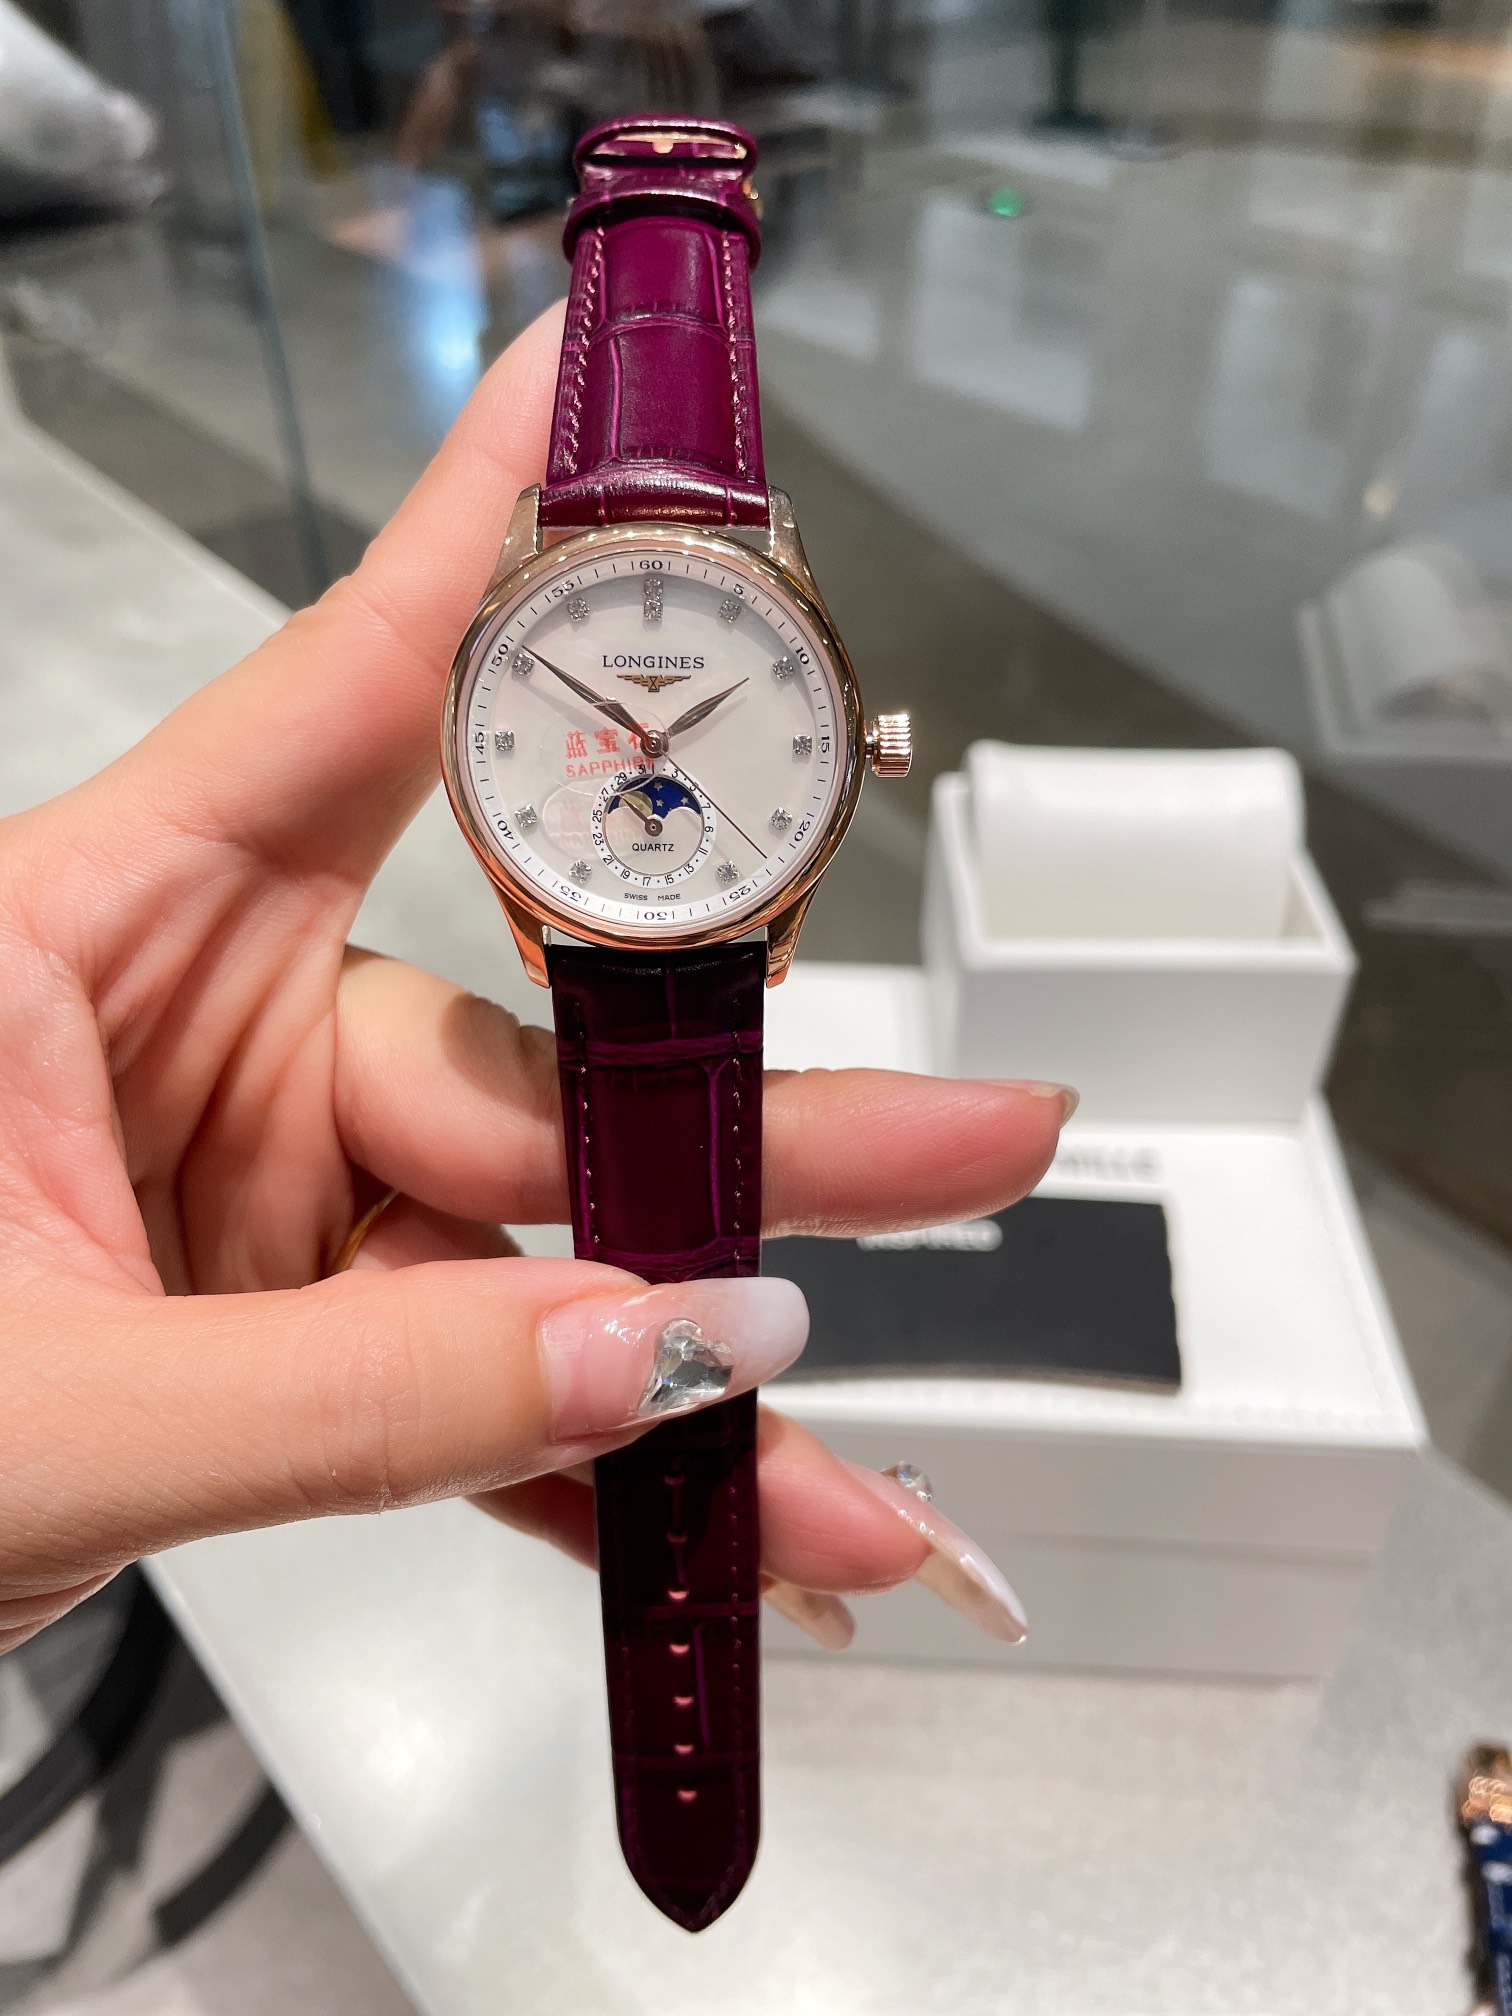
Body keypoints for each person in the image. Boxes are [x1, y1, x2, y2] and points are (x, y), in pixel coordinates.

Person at [0, 307, 1071, 1659]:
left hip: (702, 905)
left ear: (863, 743)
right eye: (629, 726)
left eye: (678, 724)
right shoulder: (564, 670)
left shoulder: (719, 641)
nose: (650, 742)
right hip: (592, 912)